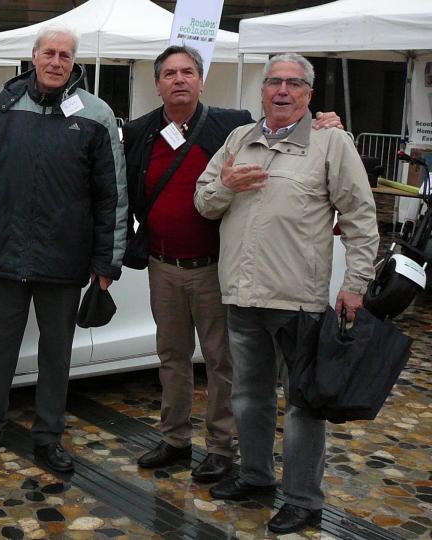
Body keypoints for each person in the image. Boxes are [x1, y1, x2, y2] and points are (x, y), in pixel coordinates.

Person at [124, 46, 341, 483]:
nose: (179, 79)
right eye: (170, 73)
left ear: (202, 81)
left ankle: (222, 447)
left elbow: (285, 124)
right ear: (158, 83)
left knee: (224, 364)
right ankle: (174, 437)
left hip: (215, 268)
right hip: (162, 265)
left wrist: (325, 121)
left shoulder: (232, 125)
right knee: (171, 357)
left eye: (188, 72)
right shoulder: (140, 132)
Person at [194, 53, 378, 534]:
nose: (281, 91)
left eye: (293, 84)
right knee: (249, 397)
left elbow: (360, 217)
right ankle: (256, 477)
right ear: (261, 91)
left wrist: (355, 284)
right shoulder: (239, 139)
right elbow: (204, 200)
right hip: (241, 294)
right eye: (273, 82)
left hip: (299, 300)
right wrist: (227, 185)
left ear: (308, 94)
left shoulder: (330, 142)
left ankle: (303, 499)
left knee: (302, 405)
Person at [0, 23, 127, 474]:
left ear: (74, 63)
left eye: (65, 56)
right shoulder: (0, 107)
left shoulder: (96, 115)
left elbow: (113, 196)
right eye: (49, 53)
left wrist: (107, 263)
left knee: (56, 356)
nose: (56, 62)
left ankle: (48, 438)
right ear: (33, 57)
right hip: (5, 256)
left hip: (64, 261)